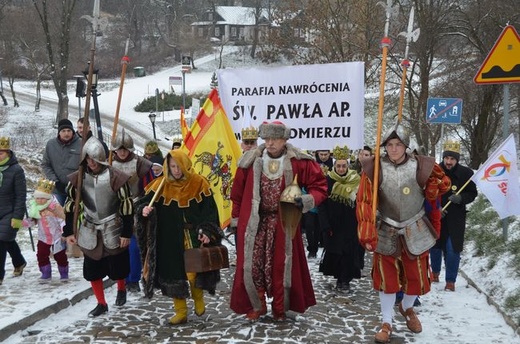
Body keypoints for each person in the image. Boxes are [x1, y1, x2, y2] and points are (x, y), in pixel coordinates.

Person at [355, 122, 451, 343]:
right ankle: (386, 322)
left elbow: (444, 183)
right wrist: (366, 229)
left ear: (406, 145)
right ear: (385, 146)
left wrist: (433, 187)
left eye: (398, 144)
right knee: (386, 281)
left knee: (416, 279)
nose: (394, 148)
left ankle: (407, 308)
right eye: (390, 144)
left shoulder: (422, 165)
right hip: (385, 228)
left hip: (415, 227)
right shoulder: (373, 167)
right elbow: (365, 200)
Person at [229, 121, 328, 322]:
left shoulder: (299, 161)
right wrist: (237, 221)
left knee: (281, 265)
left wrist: (308, 200)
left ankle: (280, 307)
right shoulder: (249, 161)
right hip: (255, 224)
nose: (270, 143)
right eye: (267, 138)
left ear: (284, 139)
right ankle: (257, 305)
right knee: (254, 264)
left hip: (284, 222)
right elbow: (237, 194)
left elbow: (320, 186)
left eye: (275, 139)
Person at [135, 149, 221, 325]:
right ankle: (180, 311)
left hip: (193, 234)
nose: (176, 170)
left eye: (178, 165)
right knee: (174, 274)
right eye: (172, 166)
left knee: (193, 270)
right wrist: (144, 211)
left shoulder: (199, 183)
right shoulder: (160, 185)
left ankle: (198, 297)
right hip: (169, 238)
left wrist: (207, 231)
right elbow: (143, 205)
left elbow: (210, 211)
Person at [63, 137, 133, 317]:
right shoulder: (78, 177)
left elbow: (126, 205)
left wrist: (126, 232)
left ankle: (121, 288)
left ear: (102, 157)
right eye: (88, 158)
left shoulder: (116, 177)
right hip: (89, 226)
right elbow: (72, 204)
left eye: (94, 158)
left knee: (118, 267)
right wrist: (69, 230)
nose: (91, 162)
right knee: (92, 269)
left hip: (113, 225)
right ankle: (101, 303)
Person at [430, 140, 477, 292]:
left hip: (456, 218)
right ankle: (435, 272)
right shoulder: (434, 171)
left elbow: (472, 193)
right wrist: (436, 209)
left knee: (452, 249)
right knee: (435, 247)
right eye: (447, 158)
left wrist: (461, 198)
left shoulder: (466, 174)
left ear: (457, 159)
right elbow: (427, 193)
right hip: (437, 215)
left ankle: (450, 280)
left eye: (452, 159)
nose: (449, 162)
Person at [111, 129, 153, 293]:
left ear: (130, 149)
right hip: (115, 209)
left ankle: (133, 278)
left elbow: (150, 188)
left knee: (134, 247)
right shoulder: (108, 163)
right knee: (117, 247)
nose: (122, 152)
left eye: (124, 149)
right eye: (119, 149)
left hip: (136, 207)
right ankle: (121, 278)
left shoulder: (141, 164)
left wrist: (146, 206)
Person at [318, 145, 363, 293]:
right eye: (339, 166)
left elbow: (361, 200)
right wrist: (325, 224)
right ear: (335, 165)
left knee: (349, 253)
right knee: (336, 253)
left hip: (351, 223)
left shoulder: (356, 180)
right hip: (334, 224)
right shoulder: (328, 180)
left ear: (348, 166)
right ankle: (339, 277)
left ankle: (345, 280)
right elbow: (322, 204)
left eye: (344, 166)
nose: (341, 169)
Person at [22, 178, 69, 281]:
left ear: (48, 198)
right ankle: (46, 273)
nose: (39, 201)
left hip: (57, 236)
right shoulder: (36, 208)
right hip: (43, 237)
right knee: (41, 255)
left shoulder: (55, 207)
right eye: (37, 198)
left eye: (42, 198)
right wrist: (23, 223)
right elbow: (34, 221)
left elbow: (62, 219)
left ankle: (64, 273)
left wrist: (63, 232)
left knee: (60, 256)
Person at [0, 137, 27, 284]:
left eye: (1, 153)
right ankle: (19, 262)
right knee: (7, 240)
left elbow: (20, 195)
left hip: (9, 211)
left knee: (1, 240)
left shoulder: (16, 170)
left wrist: (17, 216)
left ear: (8, 153)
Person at [42, 118, 81, 206]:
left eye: (68, 130)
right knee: (58, 216)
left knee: (74, 216)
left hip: (76, 190)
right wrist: (55, 182)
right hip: (57, 190)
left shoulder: (81, 144)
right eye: (63, 131)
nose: (66, 133)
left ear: (73, 131)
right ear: (59, 132)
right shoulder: (51, 144)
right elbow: (45, 165)